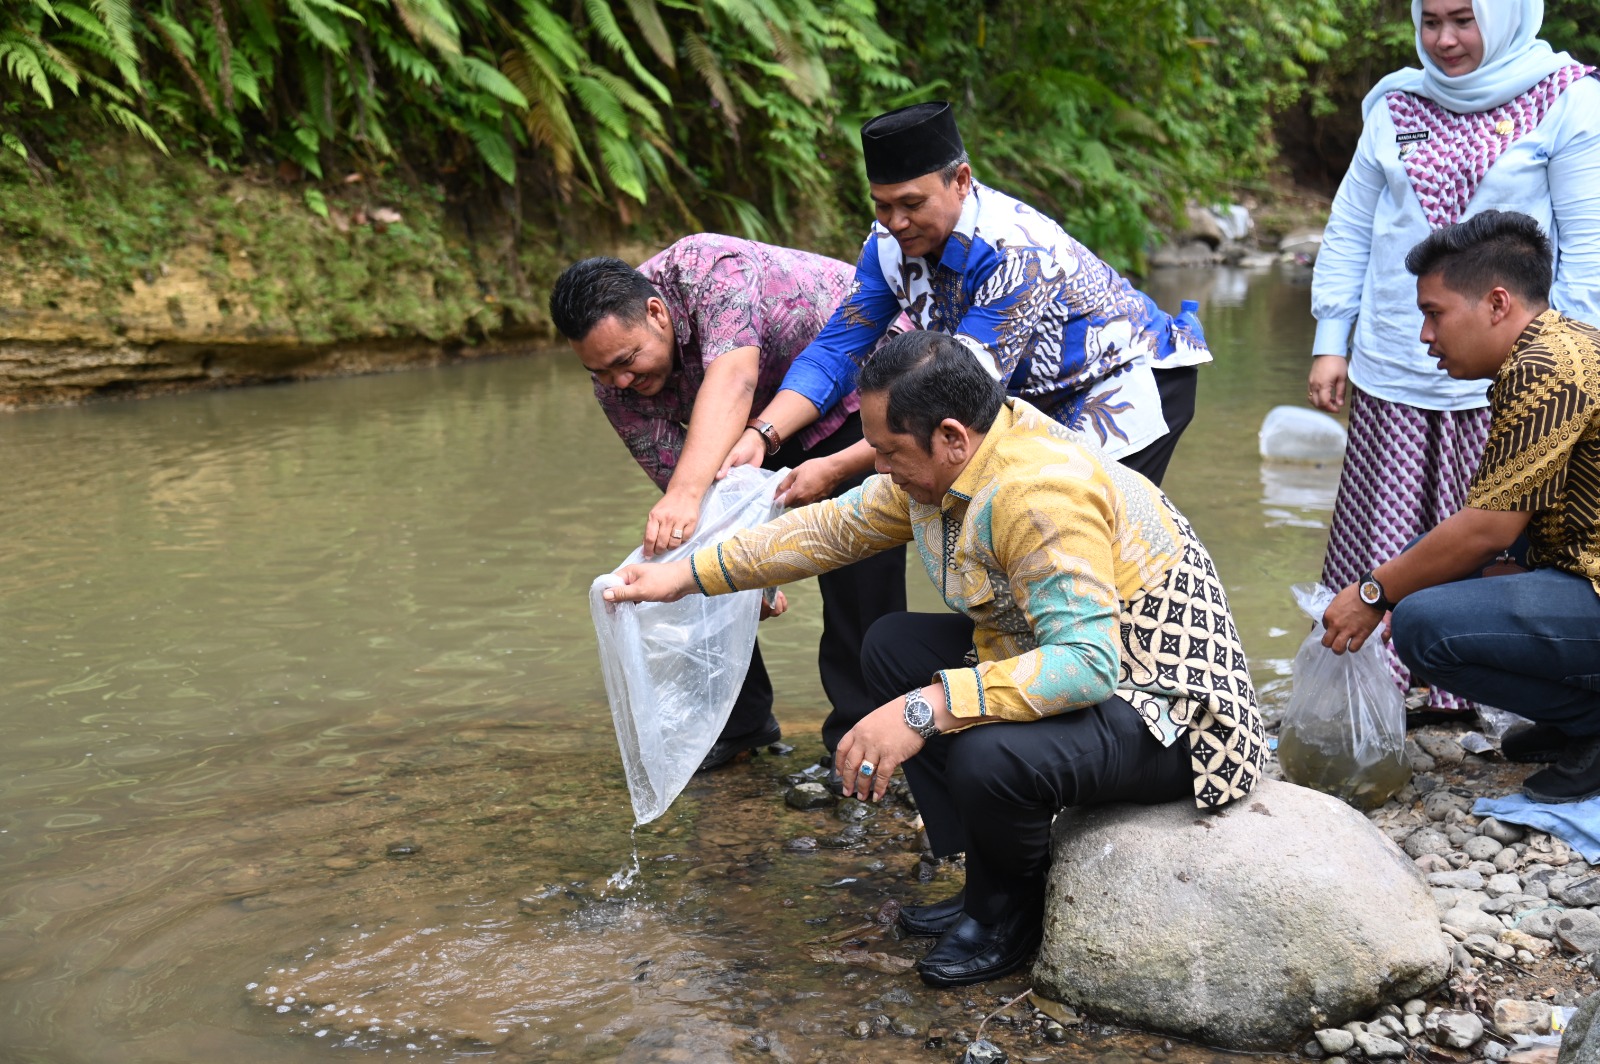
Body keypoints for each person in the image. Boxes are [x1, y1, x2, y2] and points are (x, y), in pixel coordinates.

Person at [603, 330, 1266, 986]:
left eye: (887, 451)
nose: (875, 465)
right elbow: (829, 529)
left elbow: (1087, 665)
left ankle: (1009, 916)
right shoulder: (960, 457)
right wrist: (681, 577)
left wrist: (926, 710)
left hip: (1171, 713)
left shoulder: (1037, 493)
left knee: (986, 751)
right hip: (1090, 665)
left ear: (950, 435)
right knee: (894, 646)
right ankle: (988, 876)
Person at [1308, 0, 1600, 719]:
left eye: (1464, 20)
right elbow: (1350, 228)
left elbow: (1587, 249)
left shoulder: (1567, 100)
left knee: (1488, 527)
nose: (1444, 40)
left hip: (1500, 374)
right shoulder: (1398, 103)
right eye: (1431, 20)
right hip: (1394, 362)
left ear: (1504, 17)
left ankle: (1477, 692)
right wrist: (1330, 338)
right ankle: (1375, 690)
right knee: (1392, 515)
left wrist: (1573, 370)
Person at [717, 100, 1211, 507]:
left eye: (912, 204)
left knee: (1072, 529)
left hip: (1123, 382)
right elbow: (835, 353)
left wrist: (832, 466)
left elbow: (957, 397)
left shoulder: (1016, 253)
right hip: (1026, 400)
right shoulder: (886, 246)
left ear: (961, 181)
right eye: (882, 205)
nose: (896, 221)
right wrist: (763, 436)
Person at [548, 236, 907, 770]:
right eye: (599, 372)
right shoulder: (614, 383)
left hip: (858, 392)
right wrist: (746, 570)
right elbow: (686, 499)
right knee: (682, 554)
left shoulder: (710, 270)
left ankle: (863, 740)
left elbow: (734, 379)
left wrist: (689, 494)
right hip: (750, 431)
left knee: (855, 567)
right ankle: (739, 724)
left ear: (656, 313)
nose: (619, 381)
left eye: (627, 361)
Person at [1322, 211, 1600, 801]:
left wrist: (1373, 593)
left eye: (1434, 313)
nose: (1426, 335)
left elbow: (1487, 528)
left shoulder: (1545, 369)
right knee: (1450, 569)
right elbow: (1504, 522)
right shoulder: (1562, 343)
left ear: (1497, 303)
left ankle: (1593, 722)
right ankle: (1577, 717)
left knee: (1423, 624)